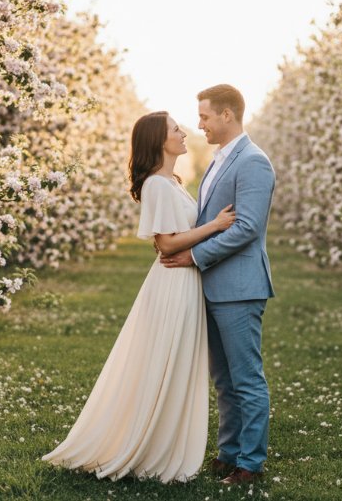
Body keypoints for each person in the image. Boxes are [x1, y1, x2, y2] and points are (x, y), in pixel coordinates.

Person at [41, 111, 236, 483]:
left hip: (185, 279)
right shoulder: (156, 186)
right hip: (172, 283)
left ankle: (162, 440)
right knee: (163, 360)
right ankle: (147, 445)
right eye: (175, 129)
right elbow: (166, 243)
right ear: (158, 141)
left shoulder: (172, 182)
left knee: (174, 361)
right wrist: (214, 226)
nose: (183, 133)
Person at [160, 84, 276, 485]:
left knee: (246, 378)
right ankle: (229, 452)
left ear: (228, 115)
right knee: (224, 380)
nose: (199, 124)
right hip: (213, 287)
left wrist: (193, 256)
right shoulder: (217, 160)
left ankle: (251, 463)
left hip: (240, 288)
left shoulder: (253, 161)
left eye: (206, 116)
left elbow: (247, 227)